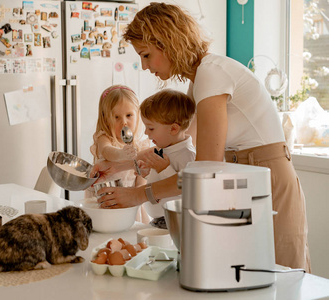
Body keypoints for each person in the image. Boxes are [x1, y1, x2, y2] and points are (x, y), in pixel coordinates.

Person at [91, 2, 311, 272]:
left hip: (269, 178)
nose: (144, 66)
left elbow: (203, 171)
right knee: (253, 278)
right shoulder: (199, 79)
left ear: (167, 42)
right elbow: (177, 149)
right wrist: (120, 166)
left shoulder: (211, 74)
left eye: (146, 55)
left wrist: (139, 195)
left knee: (285, 277)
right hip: (244, 179)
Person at [86, 84, 150, 223]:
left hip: (129, 204)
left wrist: (138, 195)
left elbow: (141, 177)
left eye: (129, 115)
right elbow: (107, 152)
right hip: (105, 202)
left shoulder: (140, 145)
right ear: (105, 118)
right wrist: (121, 154)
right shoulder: (104, 138)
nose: (124, 122)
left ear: (137, 115)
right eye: (116, 117)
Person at [137, 89, 196, 228]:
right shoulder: (166, 148)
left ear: (174, 129)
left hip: (176, 221)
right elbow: (160, 180)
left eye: (151, 128)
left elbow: (188, 189)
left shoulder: (187, 155)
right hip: (159, 219)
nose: (146, 133)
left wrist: (163, 169)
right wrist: (148, 172)